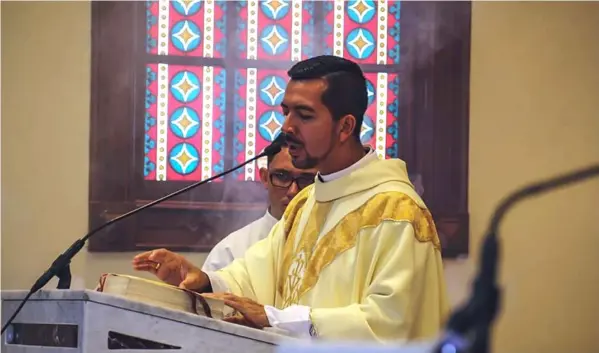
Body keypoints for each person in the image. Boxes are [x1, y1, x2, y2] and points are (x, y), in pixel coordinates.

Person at [132, 55, 449, 342]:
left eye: (305, 115)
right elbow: (254, 276)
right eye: (286, 112)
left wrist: (276, 318)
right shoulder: (305, 203)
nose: (287, 127)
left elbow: (393, 323)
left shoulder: (397, 212)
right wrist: (202, 280)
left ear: (345, 126)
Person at [202, 146, 317, 271]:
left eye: (305, 180)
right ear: (265, 178)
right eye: (282, 177)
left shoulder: (331, 243)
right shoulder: (231, 252)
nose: (293, 191)